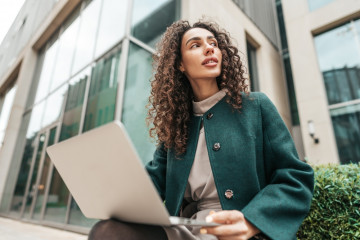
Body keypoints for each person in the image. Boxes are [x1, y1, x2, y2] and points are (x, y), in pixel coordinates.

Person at [88, 20, 314, 240]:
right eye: (195, 45)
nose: (209, 49)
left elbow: (295, 177)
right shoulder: (176, 127)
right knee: (106, 231)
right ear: (180, 64)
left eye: (213, 43)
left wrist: (251, 221)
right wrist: (109, 186)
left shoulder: (256, 106)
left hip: (240, 232)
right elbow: (151, 185)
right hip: (186, 230)